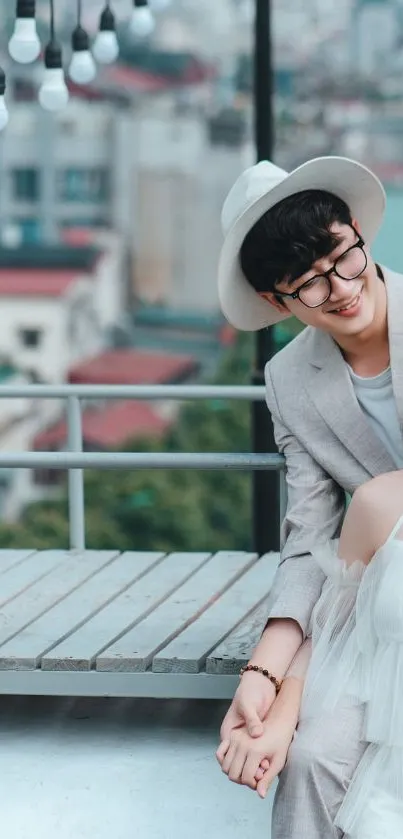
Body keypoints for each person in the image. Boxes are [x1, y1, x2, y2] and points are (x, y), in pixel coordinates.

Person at [215, 156, 403, 837]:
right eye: (309, 286)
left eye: (342, 259)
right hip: (371, 605)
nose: (342, 291)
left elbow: (366, 517)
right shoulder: (290, 379)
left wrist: (383, 505)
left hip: (373, 592)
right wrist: (262, 671)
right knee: (309, 762)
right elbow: (307, 539)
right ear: (276, 302)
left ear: (356, 231)